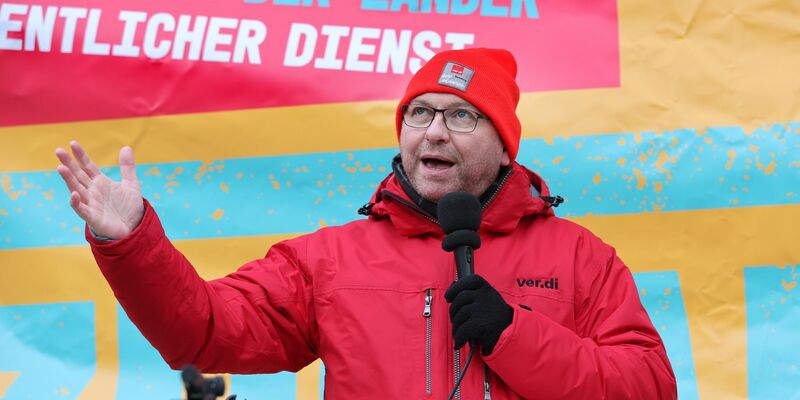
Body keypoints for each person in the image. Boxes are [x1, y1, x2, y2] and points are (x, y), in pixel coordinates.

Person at [55, 48, 677, 399]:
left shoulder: (581, 258)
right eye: (420, 113)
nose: (434, 130)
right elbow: (204, 331)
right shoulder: (329, 261)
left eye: (462, 116)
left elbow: (648, 388)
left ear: (505, 146)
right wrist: (130, 242)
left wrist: (515, 334)